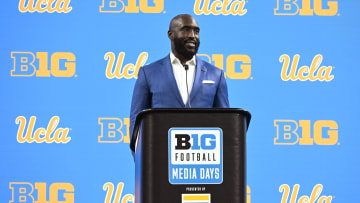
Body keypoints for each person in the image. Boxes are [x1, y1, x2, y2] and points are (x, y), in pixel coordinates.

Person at [130, 14, 229, 147]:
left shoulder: (216, 74)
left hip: (203, 160)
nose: (192, 35)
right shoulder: (148, 73)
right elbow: (136, 120)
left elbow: (226, 122)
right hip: (160, 158)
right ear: (171, 34)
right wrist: (141, 158)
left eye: (196, 31)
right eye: (186, 30)